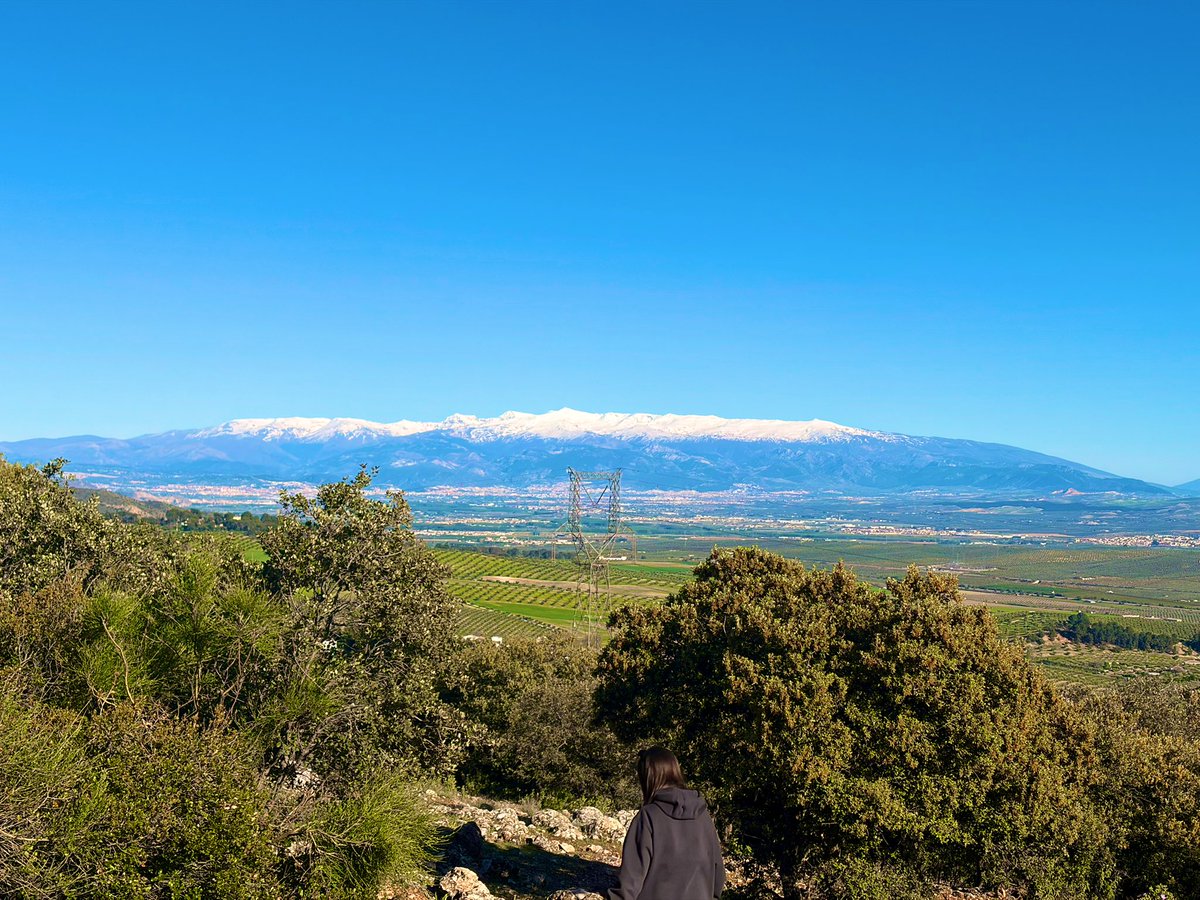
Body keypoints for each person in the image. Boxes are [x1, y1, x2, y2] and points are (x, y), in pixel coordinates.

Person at [609, 747, 725, 900]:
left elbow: (630, 881)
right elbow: (718, 878)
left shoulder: (648, 816)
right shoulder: (703, 816)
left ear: (647, 778)